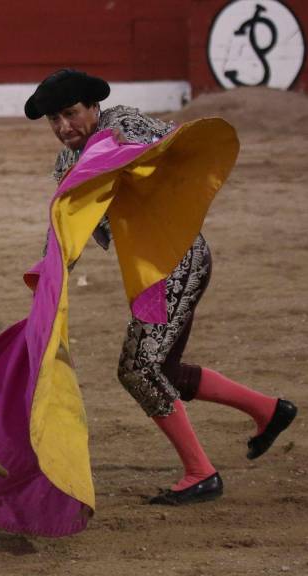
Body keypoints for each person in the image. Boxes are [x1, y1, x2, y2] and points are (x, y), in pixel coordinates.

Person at [23, 68, 297, 505]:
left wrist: (115, 159)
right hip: (149, 270)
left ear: (94, 107)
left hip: (176, 260)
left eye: (70, 114)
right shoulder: (65, 165)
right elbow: (67, 228)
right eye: (53, 120)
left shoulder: (124, 123)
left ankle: (201, 472)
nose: (62, 128)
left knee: (140, 370)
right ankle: (267, 410)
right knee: (162, 368)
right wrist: (49, 277)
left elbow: (164, 147)